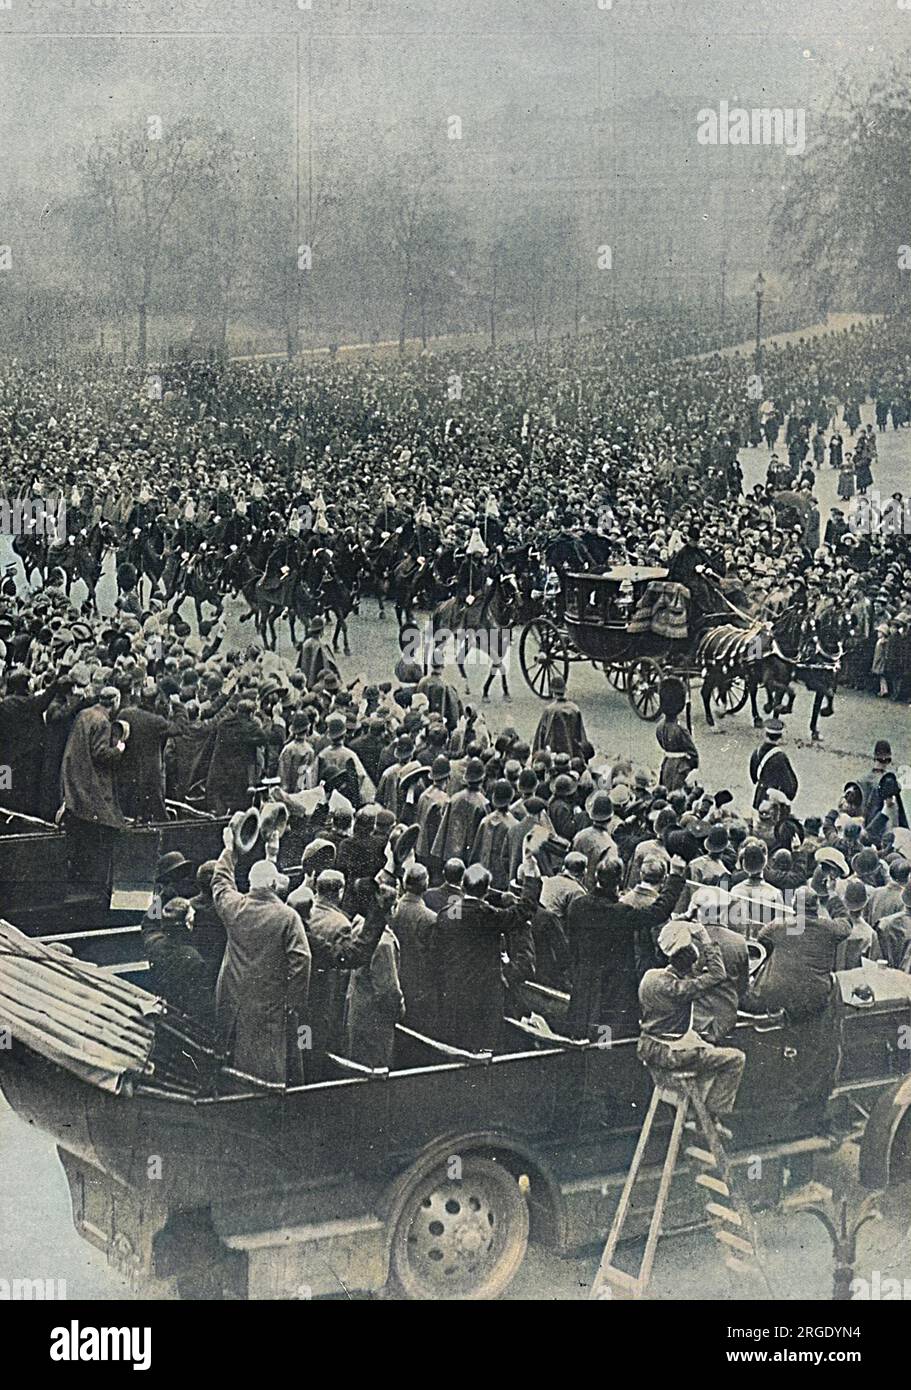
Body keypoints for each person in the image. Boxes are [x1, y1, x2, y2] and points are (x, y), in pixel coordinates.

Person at [212, 833, 312, 1084]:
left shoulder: (235, 908)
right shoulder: (288, 917)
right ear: (274, 886)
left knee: (235, 1052)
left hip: (234, 997)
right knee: (268, 1058)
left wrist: (229, 851)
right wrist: (294, 1000)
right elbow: (302, 959)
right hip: (270, 1001)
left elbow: (220, 883)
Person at [637, 920, 746, 1132]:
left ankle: (690, 1112)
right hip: (672, 1055)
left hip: (650, 1047)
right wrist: (705, 939)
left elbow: (686, 971)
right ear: (688, 964)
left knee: (705, 1048)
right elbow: (718, 975)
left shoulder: (651, 977)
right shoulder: (681, 988)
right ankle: (710, 1119)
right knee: (736, 1059)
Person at [565, 855, 686, 1041]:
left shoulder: (577, 905)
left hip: (584, 982)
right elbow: (658, 912)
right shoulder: (618, 913)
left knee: (585, 1033)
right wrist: (676, 878)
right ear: (620, 880)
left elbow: (572, 944)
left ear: (596, 876)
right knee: (609, 1039)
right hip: (613, 990)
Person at [436, 862, 537, 1051]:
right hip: (484, 995)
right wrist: (531, 880)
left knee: (457, 1043)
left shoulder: (446, 914)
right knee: (484, 1044)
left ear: (463, 886)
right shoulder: (487, 915)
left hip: (453, 990)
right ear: (485, 891)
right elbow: (523, 911)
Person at [60, 684, 129, 891]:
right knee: (100, 833)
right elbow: (100, 754)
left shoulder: (84, 714)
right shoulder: (103, 721)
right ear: (115, 702)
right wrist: (118, 749)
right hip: (90, 783)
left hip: (74, 778)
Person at [688, 887, 749, 1042]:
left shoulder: (686, 938)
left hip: (690, 1017)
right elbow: (742, 986)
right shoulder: (738, 942)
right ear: (723, 912)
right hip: (724, 1018)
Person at [145, 896, 213, 1025]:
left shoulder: (153, 944)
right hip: (182, 1020)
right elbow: (201, 1004)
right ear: (187, 924)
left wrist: (160, 897)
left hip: (163, 1010)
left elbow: (148, 924)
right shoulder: (194, 959)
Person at [532, 674, 592, 761]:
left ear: (552, 692)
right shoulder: (574, 708)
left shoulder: (549, 710)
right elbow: (581, 735)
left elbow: (541, 735)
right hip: (574, 753)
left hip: (554, 754)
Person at [749, 718, 798, 811]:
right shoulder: (780, 757)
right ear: (780, 737)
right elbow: (790, 785)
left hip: (759, 795)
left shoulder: (756, 752)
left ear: (766, 734)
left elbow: (754, 777)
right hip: (774, 801)